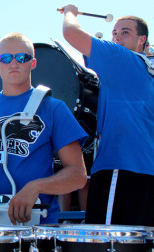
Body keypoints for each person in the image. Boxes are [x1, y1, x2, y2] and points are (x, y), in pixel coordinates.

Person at [0, 32, 88, 225]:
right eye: (6, 58)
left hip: (36, 224)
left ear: (33, 63)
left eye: (22, 57)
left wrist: (36, 187)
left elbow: (77, 175)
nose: (14, 63)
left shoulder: (53, 108)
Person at [61, 5, 154, 226]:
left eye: (125, 32)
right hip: (145, 169)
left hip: (120, 167)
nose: (117, 37)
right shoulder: (146, 70)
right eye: (114, 32)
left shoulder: (122, 58)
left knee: (107, 241)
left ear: (142, 40)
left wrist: (70, 13)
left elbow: (71, 33)